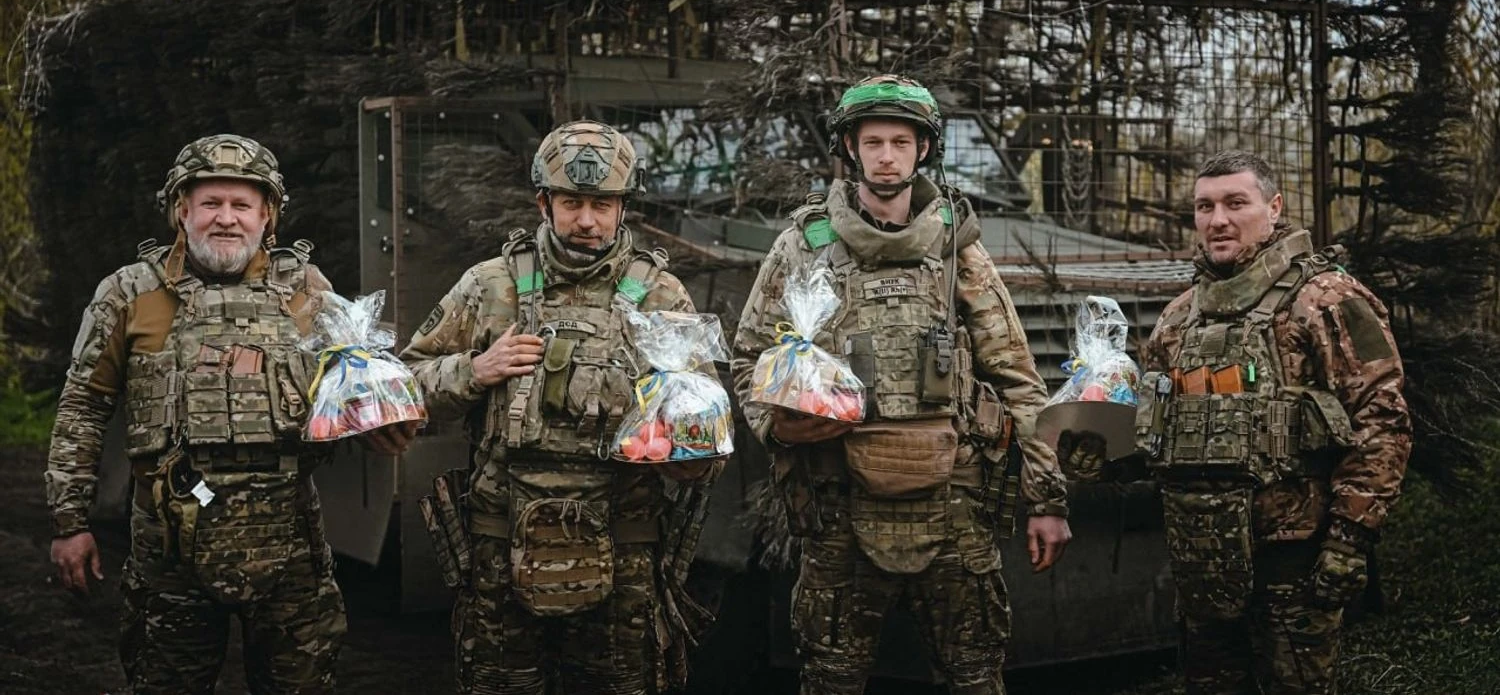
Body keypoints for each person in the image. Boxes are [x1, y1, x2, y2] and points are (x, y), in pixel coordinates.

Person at [731, 75, 1072, 695]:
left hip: (955, 506)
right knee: (831, 678)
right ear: (851, 149)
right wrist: (776, 422)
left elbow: (1017, 378)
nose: (886, 156)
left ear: (923, 151)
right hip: (838, 505)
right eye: (872, 142)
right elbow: (748, 360)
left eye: (900, 142)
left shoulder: (958, 249)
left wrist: (1047, 499)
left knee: (974, 676)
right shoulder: (802, 247)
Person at [46, 134, 414, 694]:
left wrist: (379, 421)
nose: (226, 219)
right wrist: (70, 522)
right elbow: (84, 407)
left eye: (242, 205)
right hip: (170, 548)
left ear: (268, 216)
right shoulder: (129, 294)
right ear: (181, 211)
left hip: (290, 544)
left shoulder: (306, 292)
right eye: (210, 203)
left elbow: (348, 385)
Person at [401, 120, 720, 695]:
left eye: (603, 203)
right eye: (572, 202)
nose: (587, 221)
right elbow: (402, 391)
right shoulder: (490, 286)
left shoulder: (661, 297)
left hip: (622, 550)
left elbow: (707, 434)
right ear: (543, 201)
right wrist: (474, 371)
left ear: (624, 206)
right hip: (502, 550)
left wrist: (679, 438)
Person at [1138, 150, 1412, 694]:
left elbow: (1383, 422)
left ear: (1275, 207)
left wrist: (1348, 540)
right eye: (1204, 206)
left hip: (1295, 563)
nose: (1218, 220)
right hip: (1204, 561)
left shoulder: (1324, 300)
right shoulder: (1178, 318)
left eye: (1236, 203)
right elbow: (1158, 434)